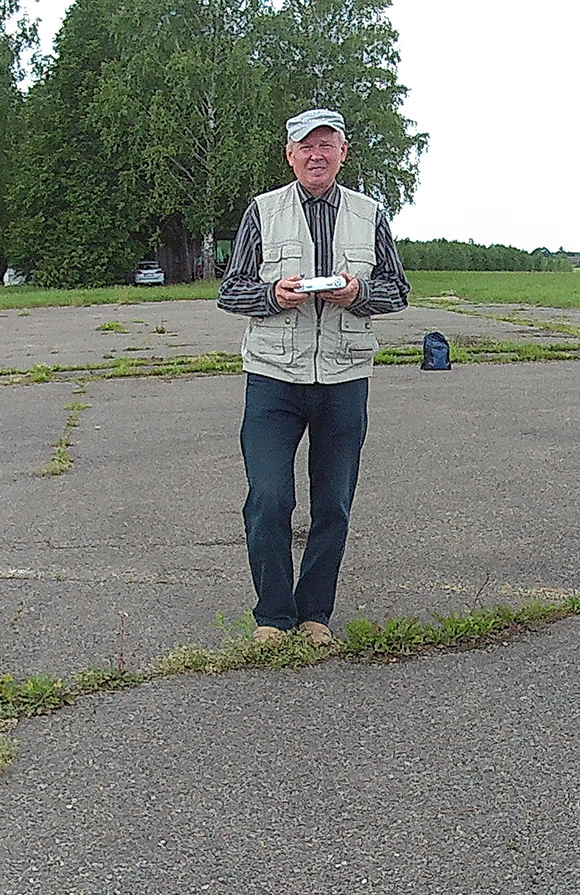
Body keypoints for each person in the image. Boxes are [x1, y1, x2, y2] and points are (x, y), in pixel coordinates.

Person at [218, 108, 409, 643]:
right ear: (290, 155)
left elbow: (397, 290)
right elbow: (230, 291)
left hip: (344, 378)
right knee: (269, 498)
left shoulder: (369, 214)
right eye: (306, 146)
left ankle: (314, 616)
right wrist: (273, 296)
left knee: (333, 504)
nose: (316, 155)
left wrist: (358, 293)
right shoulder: (263, 212)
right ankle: (273, 616)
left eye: (327, 145)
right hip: (273, 378)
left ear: (343, 152)